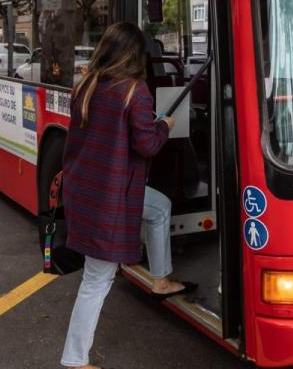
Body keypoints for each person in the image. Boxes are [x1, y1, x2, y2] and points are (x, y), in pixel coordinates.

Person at [59, 21, 195, 369]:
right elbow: (147, 145)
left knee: (159, 208)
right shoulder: (134, 91)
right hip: (112, 198)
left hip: (87, 190)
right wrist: (164, 125)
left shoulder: (86, 85)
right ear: (135, 55)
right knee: (96, 279)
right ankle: (74, 360)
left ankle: (160, 279)